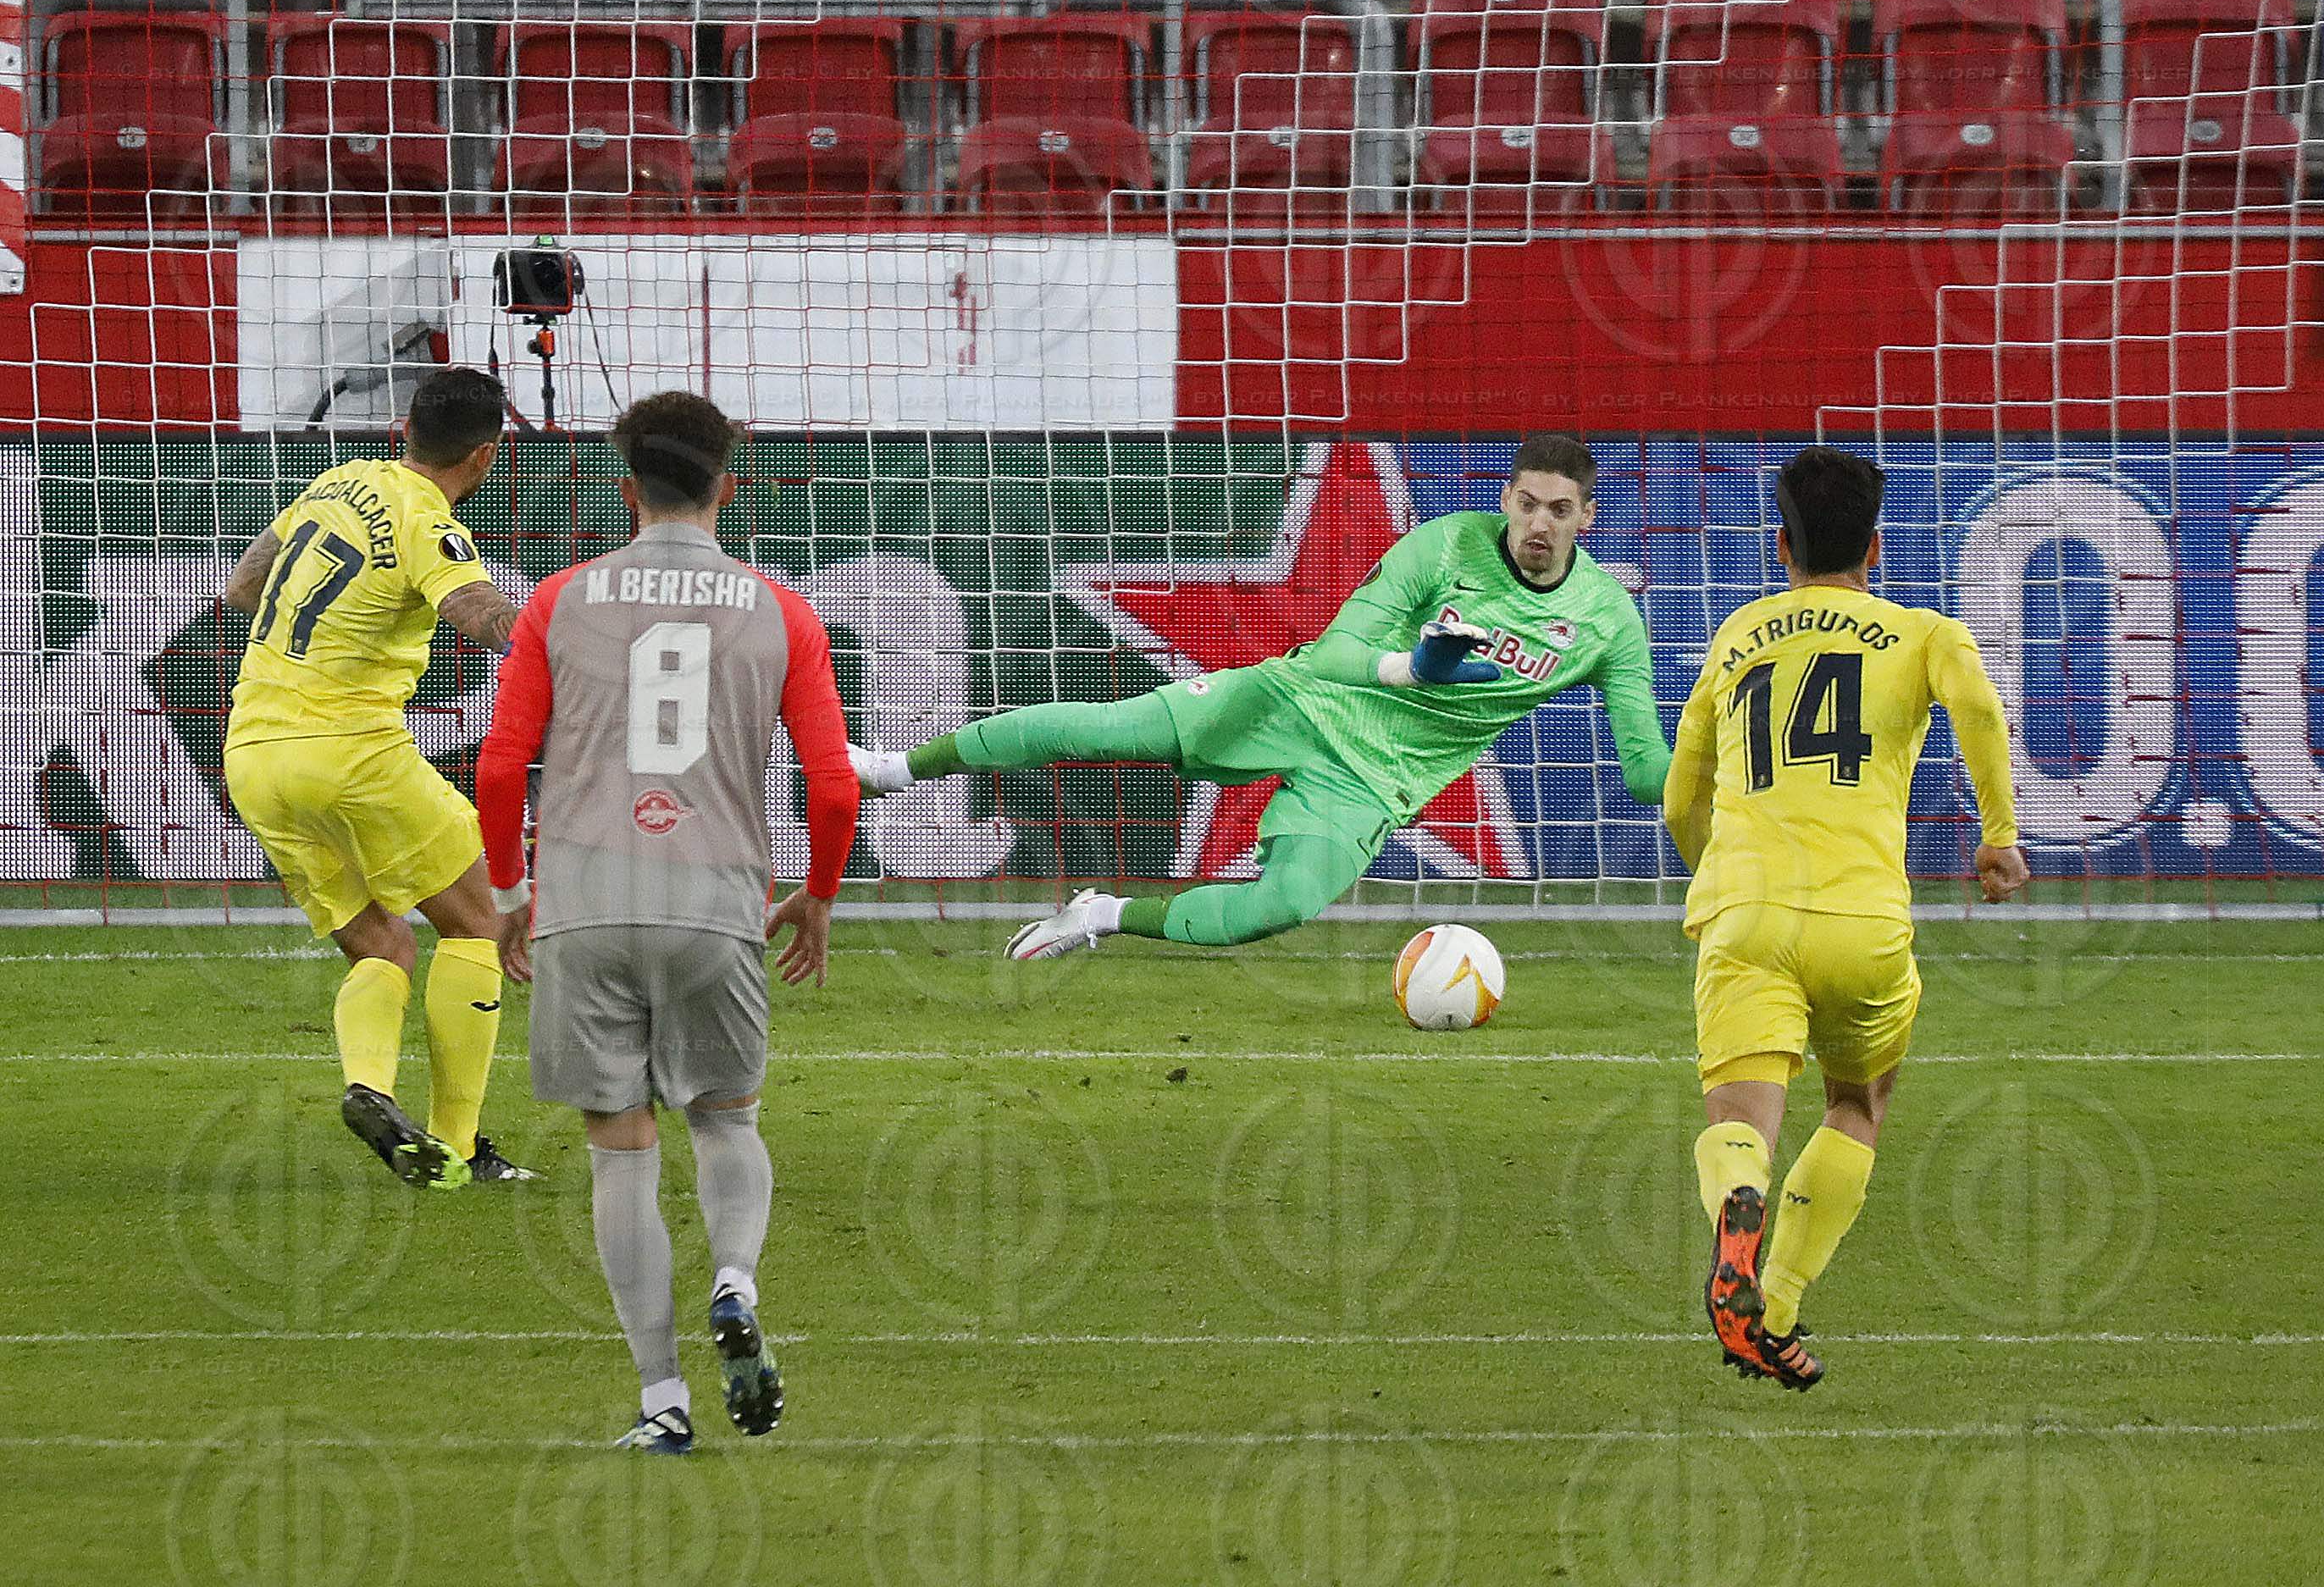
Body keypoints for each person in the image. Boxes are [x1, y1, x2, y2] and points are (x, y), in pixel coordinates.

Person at [851, 434, 1670, 959]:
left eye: (1559, 510)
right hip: (1297, 701)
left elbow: (1643, 771)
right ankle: (895, 768)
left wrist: (1710, 768)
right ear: (1508, 499)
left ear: (1587, 519)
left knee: (1271, 911)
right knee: (1106, 728)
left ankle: (1100, 915)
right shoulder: (1446, 543)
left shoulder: (1607, 621)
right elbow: (1343, 648)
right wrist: (1412, 668)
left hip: (1372, 785)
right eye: (1527, 502)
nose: (1538, 523)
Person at [476, 390, 859, 1455]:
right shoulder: (781, 611)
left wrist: (510, 894)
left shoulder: (557, 599)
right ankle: (733, 1279)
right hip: (715, 903)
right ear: (726, 483)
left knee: (619, 1149)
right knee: (726, 1118)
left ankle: (661, 1400)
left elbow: (501, 764)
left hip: (586, 905)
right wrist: (817, 895)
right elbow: (833, 787)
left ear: (625, 487)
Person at [1663, 445, 2028, 1390]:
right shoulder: (1920, 631)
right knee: (1855, 1102)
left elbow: (1676, 801)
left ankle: (1737, 1203)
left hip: (1744, 914)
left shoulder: (1736, 634)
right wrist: (1996, 834)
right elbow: (1978, 709)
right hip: (1862, 921)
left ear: (1776, 543)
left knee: (1742, 1119)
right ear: (1875, 545)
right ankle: (1773, 1307)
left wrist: (1726, 879)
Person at [222, 365, 532, 1190]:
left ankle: (370, 1087)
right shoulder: (429, 518)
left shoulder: (338, 480)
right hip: (352, 750)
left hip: (253, 753)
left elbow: (241, 584)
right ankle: (461, 1146)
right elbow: (477, 611)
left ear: (404, 431)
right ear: (485, 455)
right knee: (480, 925)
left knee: (381, 942)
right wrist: (557, 636)